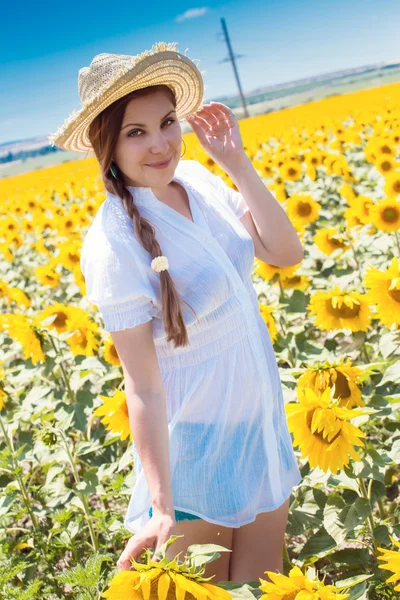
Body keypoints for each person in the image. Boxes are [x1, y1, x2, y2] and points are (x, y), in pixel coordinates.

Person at [48, 41, 303, 583]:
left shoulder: (202, 185)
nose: (160, 143)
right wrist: (162, 504)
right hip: (195, 452)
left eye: (166, 121)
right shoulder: (114, 243)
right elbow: (142, 387)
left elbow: (285, 254)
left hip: (260, 424)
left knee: (261, 589)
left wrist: (235, 162)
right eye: (135, 132)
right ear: (106, 148)